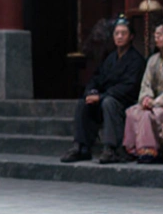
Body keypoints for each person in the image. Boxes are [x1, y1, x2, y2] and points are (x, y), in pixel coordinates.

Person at [62, 16, 146, 164]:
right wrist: (91, 92)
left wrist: (101, 97)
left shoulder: (136, 60)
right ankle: (81, 146)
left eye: (123, 33)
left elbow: (129, 87)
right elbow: (97, 78)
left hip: (123, 102)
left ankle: (111, 148)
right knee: (84, 103)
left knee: (109, 102)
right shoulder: (110, 58)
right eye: (116, 33)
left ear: (131, 36)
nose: (119, 37)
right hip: (104, 98)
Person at [122, 20, 163, 163]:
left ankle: (149, 151)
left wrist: (157, 102)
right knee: (133, 111)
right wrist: (146, 98)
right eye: (155, 35)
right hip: (153, 101)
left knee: (148, 116)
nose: (156, 38)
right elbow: (146, 83)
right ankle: (132, 149)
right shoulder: (153, 60)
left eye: (160, 34)